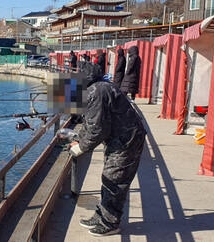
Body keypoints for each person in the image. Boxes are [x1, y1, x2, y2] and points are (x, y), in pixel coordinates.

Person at [69, 60, 146, 237]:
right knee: (109, 177)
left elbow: (97, 129)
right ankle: (102, 215)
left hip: (127, 141)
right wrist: (79, 139)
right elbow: (90, 122)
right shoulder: (96, 88)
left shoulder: (96, 92)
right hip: (119, 140)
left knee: (115, 181)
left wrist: (81, 148)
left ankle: (111, 223)